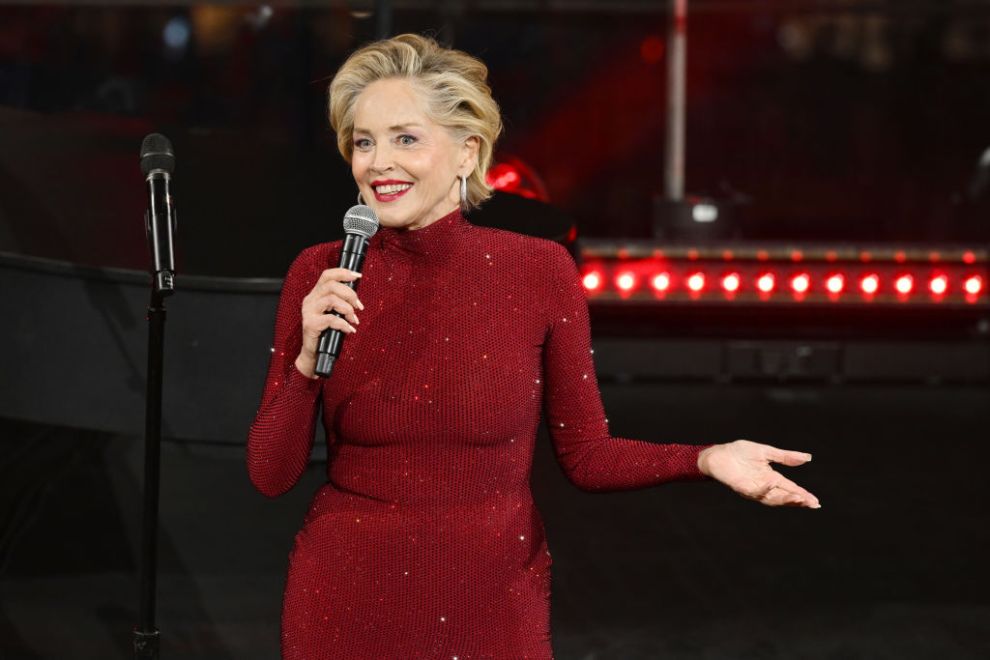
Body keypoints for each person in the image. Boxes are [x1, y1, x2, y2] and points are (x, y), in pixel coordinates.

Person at [247, 33, 820, 659]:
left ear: (467, 153)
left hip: (493, 603)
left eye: (405, 138)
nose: (379, 161)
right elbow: (271, 476)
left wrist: (706, 459)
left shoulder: (538, 271)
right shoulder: (320, 272)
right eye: (364, 141)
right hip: (343, 599)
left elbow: (587, 456)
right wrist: (306, 363)